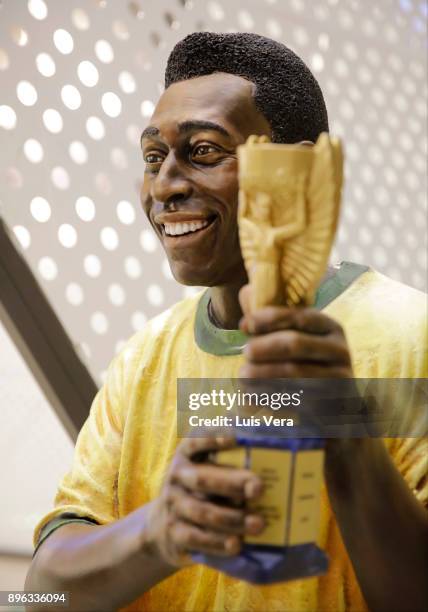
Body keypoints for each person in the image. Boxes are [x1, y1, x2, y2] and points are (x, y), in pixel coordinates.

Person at [25, 32, 427, 612]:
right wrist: (158, 531)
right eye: (154, 158)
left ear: (303, 175)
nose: (165, 185)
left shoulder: (410, 336)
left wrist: (347, 442)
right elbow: (35, 596)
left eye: (205, 150)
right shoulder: (143, 360)